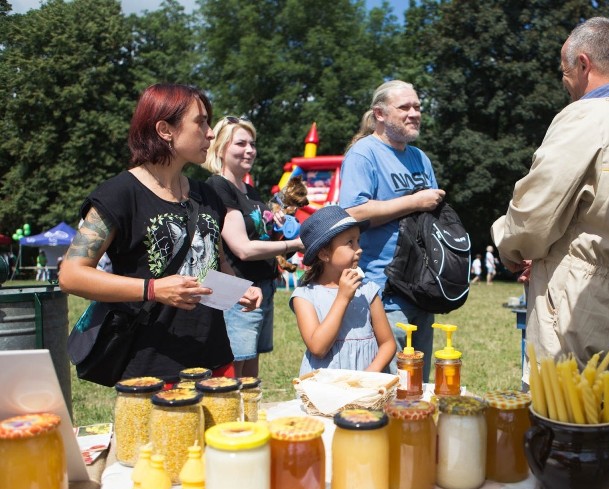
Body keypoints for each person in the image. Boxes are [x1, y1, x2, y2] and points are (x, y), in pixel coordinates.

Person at [491, 17, 609, 372]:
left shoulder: (585, 116)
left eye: (564, 70)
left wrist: (509, 246)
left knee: (561, 418)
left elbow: (535, 210)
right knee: (604, 414)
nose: (564, 82)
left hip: (576, 300)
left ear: (583, 64)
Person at [59, 83, 261, 383]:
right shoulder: (119, 194)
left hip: (216, 359)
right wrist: (153, 289)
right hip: (150, 369)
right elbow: (71, 275)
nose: (210, 132)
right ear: (165, 129)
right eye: (201, 121)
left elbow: (215, 266)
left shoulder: (208, 195)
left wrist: (237, 288)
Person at [339, 80, 444, 373]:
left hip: (421, 285)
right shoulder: (364, 153)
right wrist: (414, 202)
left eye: (417, 107)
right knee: (394, 383)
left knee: (417, 381)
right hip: (383, 286)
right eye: (405, 107)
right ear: (380, 114)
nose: (414, 113)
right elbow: (353, 212)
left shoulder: (419, 157)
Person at [204, 116, 302, 377]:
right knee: (233, 369)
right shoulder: (217, 186)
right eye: (240, 143)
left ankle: (250, 416)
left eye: (252, 143)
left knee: (251, 369)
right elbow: (243, 248)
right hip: (237, 289)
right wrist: (297, 244)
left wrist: (277, 227)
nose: (250, 150)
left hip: (263, 287)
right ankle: (234, 418)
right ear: (222, 148)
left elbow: (260, 237)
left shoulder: (250, 191)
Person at [289, 206, 396, 375]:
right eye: (350, 243)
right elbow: (318, 348)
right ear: (324, 254)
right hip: (326, 389)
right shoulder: (304, 296)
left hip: (367, 389)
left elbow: (388, 343)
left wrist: (367, 377)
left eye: (358, 241)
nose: (359, 249)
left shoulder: (367, 291)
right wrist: (343, 298)